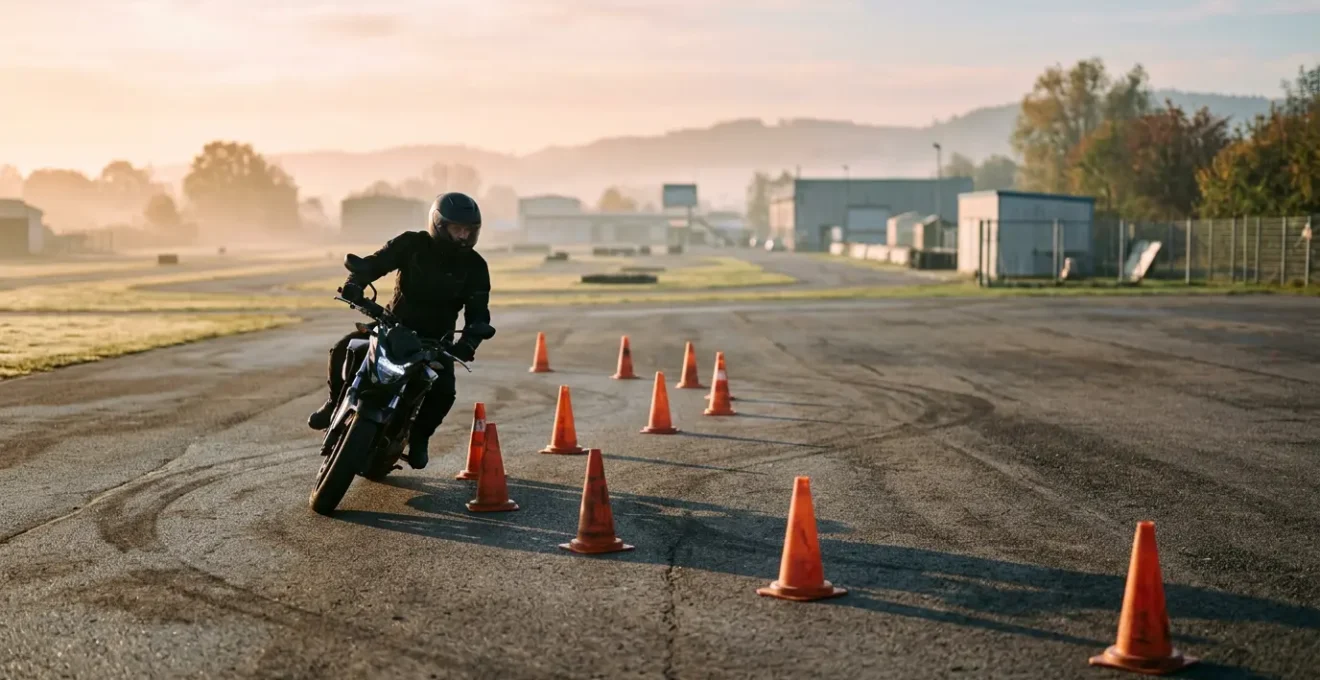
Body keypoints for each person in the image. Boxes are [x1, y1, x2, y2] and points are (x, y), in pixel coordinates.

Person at [307, 192, 492, 470]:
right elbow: (374, 263)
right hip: (391, 326)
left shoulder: (476, 267)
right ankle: (334, 402)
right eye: (457, 229)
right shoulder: (412, 244)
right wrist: (355, 281)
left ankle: (419, 439)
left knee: (444, 390)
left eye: (469, 231)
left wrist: (469, 342)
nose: (463, 237)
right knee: (345, 347)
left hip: (436, 342)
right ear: (439, 225)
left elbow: (478, 312)